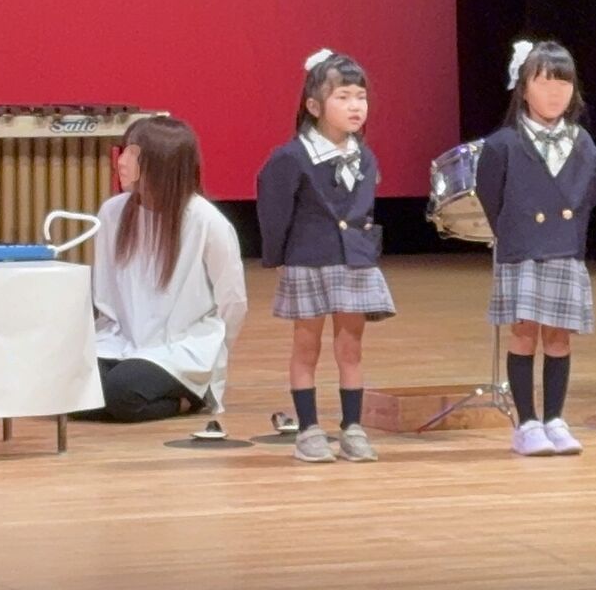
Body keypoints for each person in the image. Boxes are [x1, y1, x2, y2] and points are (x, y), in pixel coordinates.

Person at [256, 49, 395, 463]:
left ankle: (353, 428)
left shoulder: (364, 156)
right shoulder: (291, 157)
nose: (355, 106)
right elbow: (274, 211)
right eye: (343, 97)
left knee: (351, 348)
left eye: (361, 97)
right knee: (307, 346)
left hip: (353, 262)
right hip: (309, 260)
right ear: (314, 106)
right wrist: (278, 256)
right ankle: (309, 430)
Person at [475, 40, 596, 457]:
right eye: (543, 82)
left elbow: (587, 197)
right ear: (523, 88)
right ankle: (527, 423)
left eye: (563, 83)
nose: (554, 92)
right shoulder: (503, 144)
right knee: (525, 332)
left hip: (564, 249)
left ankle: (555, 420)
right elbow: (490, 196)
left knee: (559, 336)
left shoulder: (583, 143)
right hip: (522, 249)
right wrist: (514, 233)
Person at [84, 116, 247, 423]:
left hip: (181, 347)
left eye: (134, 153)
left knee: (122, 392)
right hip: (120, 341)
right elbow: (104, 291)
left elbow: (233, 300)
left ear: (162, 164)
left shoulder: (206, 221)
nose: (122, 161)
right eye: (124, 150)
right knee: (71, 388)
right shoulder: (112, 211)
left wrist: (214, 355)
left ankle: (189, 399)